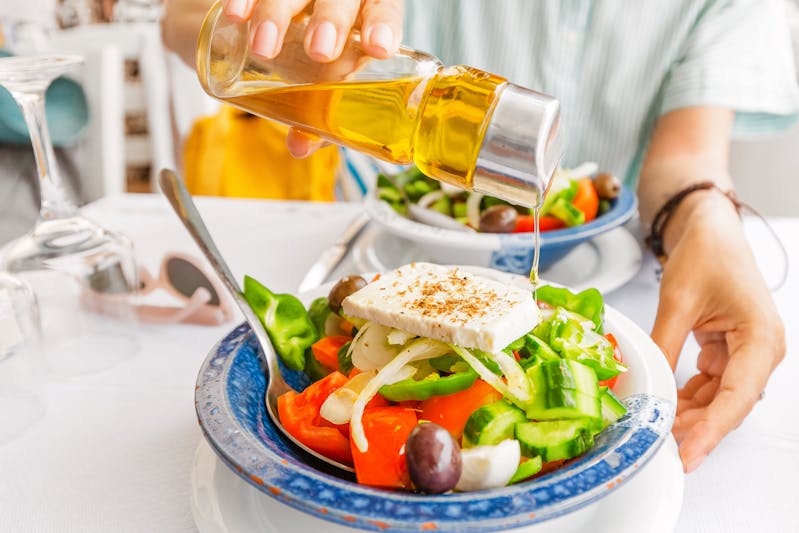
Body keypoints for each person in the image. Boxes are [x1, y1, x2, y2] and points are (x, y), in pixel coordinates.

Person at [161, 0, 798, 473]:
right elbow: (180, 17)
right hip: (364, 239)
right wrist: (253, 23)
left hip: (617, 277)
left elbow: (687, 157)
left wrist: (709, 220)